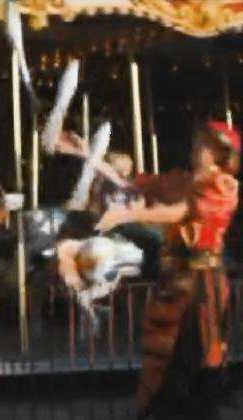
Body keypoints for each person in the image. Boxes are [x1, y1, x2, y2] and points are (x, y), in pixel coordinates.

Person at [96, 121, 240, 419]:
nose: (196, 148)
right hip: (176, 279)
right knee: (163, 353)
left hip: (203, 282)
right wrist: (88, 155)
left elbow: (181, 212)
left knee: (201, 352)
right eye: (197, 142)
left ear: (219, 152)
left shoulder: (224, 186)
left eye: (204, 144)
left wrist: (127, 215)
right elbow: (133, 185)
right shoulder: (180, 180)